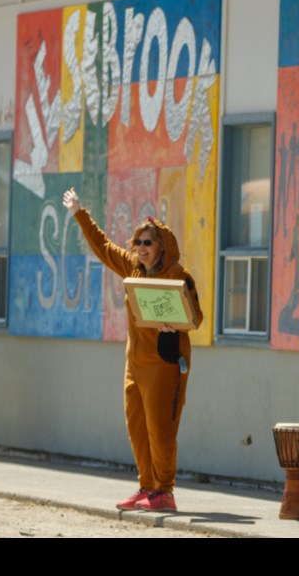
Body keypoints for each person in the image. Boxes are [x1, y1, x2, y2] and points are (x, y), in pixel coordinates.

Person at [61, 187, 202, 512]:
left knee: (160, 428)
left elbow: (197, 318)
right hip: (134, 363)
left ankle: (164, 491)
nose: (140, 247)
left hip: (164, 362)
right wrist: (79, 212)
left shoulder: (178, 274)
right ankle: (147, 487)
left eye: (147, 242)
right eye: (137, 242)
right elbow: (103, 247)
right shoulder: (132, 268)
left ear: (162, 246)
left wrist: (176, 325)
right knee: (137, 426)